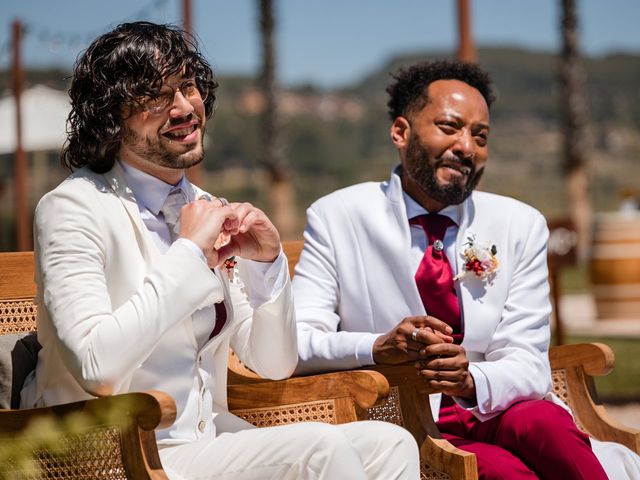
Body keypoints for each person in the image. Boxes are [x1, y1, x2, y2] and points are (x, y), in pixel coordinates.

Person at [20, 21, 420, 480]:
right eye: (155, 96)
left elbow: (273, 364)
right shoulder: (73, 208)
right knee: (319, 449)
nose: (183, 108)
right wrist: (189, 253)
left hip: (206, 442)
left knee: (389, 444)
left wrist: (266, 267)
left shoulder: (206, 208)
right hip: (110, 453)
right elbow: (97, 368)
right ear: (111, 116)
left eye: (187, 86)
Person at [292, 60, 640, 479]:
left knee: (550, 428)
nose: (467, 147)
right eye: (449, 126)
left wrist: (470, 379)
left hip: (497, 401)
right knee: (505, 472)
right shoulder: (337, 216)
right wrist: (377, 346)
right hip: (402, 417)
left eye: (480, 136)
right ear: (401, 132)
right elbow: (298, 341)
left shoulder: (520, 224)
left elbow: (529, 363)